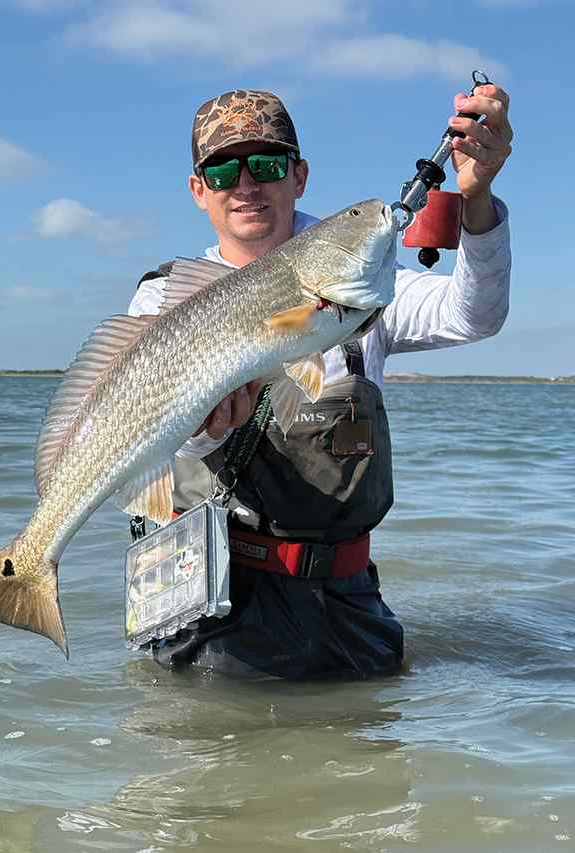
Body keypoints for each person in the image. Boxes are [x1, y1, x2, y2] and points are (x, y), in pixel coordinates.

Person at [128, 87, 513, 679]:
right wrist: (206, 434)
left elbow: (475, 316)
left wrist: (477, 199)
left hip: (348, 599)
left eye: (266, 165)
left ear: (299, 176)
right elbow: (155, 450)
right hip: (215, 603)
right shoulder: (162, 298)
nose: (246, 185)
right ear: (199, 190)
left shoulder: (365, 283)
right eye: (223, 171)